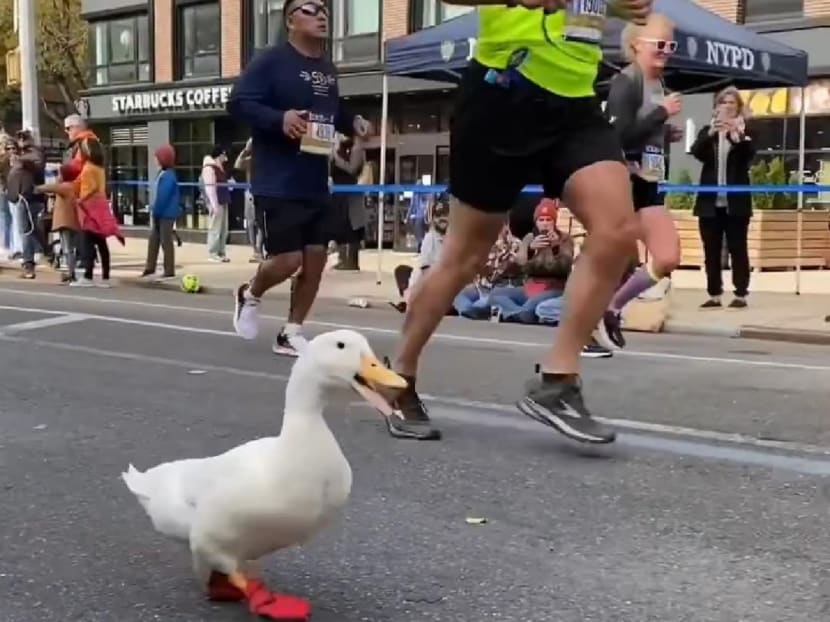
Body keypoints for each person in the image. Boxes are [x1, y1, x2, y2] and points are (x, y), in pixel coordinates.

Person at [374, 0, 650, 443]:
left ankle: (557, 382)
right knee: (464, 258)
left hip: (576, 102)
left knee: (618, 230)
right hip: (503, 93)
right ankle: (398, 375)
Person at [228, 0, 369, 357]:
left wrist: (352, 122)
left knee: (317, 259)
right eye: (310, 8)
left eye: (324, 9)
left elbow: (332, 111)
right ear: (291, 20)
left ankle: (290, 332)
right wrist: (280, 119)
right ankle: (250, 293)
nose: (322, 14)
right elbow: (239, 103)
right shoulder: (271, 61)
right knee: (288, 260)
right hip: (277, 179)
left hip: (314, 179)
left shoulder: (327, 68)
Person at [596, 13, 683, 350]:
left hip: (649, 183)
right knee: (611, 259)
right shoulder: (626, 81)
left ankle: (611, 309)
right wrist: (660, 114)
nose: (666, 51)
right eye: (659, 44)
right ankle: (589, 327)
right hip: (624, 185)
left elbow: (641, 132)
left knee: (667, 257)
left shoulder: (656, 85)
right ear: (636, 45)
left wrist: (664, 133)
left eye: (670, 45)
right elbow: (616, 135)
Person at [691, 86, 754, 309]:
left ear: (738, 108)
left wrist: (736, 136)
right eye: (722, 103)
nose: (726, 107)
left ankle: (741, 293)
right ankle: (714, 293)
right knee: (711, 250)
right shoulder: (708, 131)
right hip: (710, 203)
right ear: (716, 107)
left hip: (736, 203)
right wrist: (710, 134)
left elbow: (749, 157)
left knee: (738, 248)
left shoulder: (745, 131)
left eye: (731, 103)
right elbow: (696, 152)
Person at [489, 199, 573, 324]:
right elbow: (520, 266)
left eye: (548, 220)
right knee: (496, 294)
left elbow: (566, 268)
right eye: (541, 220)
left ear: (554, 222)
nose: (545, 224)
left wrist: (556, 248)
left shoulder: (565, 239)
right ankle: (518, 314)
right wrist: (530, 250)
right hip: (530, 286)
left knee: (531, 305)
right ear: (536, 222)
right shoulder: (529, 238)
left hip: (553, 288)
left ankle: (513, 313)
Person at [74, 138, 118, 287]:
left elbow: (91, 188)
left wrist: (81, 199)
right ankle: (106, 277)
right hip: (101, 205)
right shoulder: (100, 168)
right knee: (101, 242)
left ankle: (88, 275)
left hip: (89, 207)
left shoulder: (88, 168)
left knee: (87, 241)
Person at [6, 130, 45, 279]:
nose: (21, 140)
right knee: (29, 230)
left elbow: (36, 164)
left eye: (24, 137)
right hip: (20, 197)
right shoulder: (19, 155)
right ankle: (39, 256)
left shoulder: (34, 153)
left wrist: (22, 161)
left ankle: (30, 262)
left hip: (29, 197)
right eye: (19, 138)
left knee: (28, 231)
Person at [35, 163, 81, 284]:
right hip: (74, 221)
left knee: (67, 248)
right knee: (71, 247)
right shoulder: (75, 185)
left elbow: (48, 188)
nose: (57, 176)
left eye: (59, 174)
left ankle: (71, 273)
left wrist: (35, 187)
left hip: (65, 222)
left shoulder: (65, 186)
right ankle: (71, 272)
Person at [142, 144, 180, 281]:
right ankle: (150, 266)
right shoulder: (163, 174)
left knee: (166, 241)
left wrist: (155, 210)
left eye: (157, 157)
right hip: (161, 213)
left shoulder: (168, 176)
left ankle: (169, 269)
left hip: (166, 214)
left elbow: (163, 197)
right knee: (154, 239)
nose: (155, 159)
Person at [329, 134, 366, 271]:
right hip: (338, 193)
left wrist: (337, 157)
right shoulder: (337, 149)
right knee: (339, 226)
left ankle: (352, 261)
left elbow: (352, 169)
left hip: (350, 192)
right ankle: (342, 258)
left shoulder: (356, 148)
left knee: (352, 227)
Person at [234, 138, 263, 263]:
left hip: (261, 193)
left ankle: (259, 251)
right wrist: (245, 150)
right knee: (250, 224)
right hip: (250, 193)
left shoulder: (264, 160)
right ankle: (255, 251)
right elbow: (237, 165)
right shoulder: (249, 160)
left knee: (260, 223)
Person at [201, 146, 231, 262]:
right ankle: (213, 253)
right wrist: (214, 205)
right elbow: (210, 188)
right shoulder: (209, 168)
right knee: (215, 228)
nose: (225, 158)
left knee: (223, 228)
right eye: (224, 156)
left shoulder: (219, 168)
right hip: (216, 202)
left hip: (223, 200)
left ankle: (221, 252)